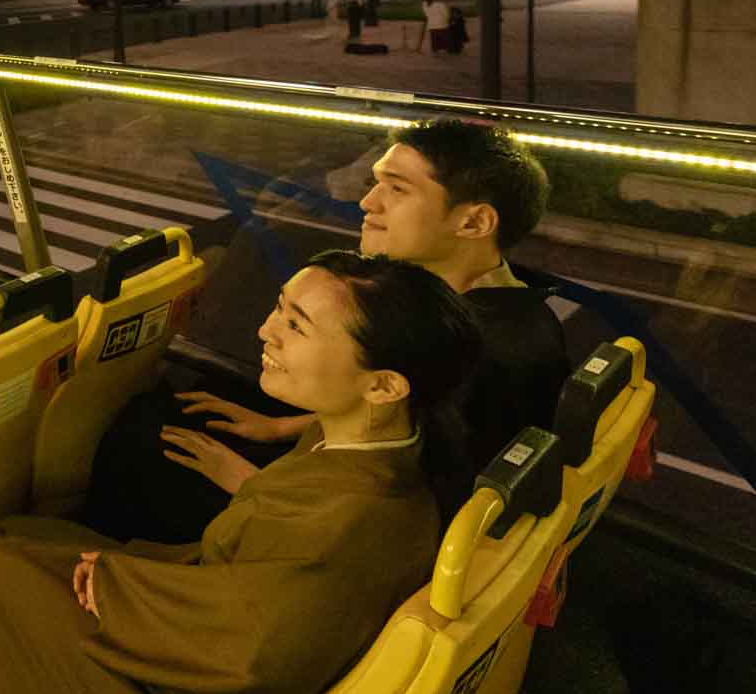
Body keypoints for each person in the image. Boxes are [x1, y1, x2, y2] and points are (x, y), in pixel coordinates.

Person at [0, 252, 483, 694]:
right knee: (16, 534)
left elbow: (249, 656)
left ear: (383, 385)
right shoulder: (371, 445)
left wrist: (116, 588)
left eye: (296, 326)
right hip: (211, 614)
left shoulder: (352, 519)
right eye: (279, 309)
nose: (265, 331)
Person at [85, 117, 567, 546]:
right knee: (168, 412)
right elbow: (402, 419)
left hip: (339, 529)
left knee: (142, 450)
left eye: (397, 189)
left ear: (475, 221)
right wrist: (279, 428)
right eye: (376, 183)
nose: (367, 202)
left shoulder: (483, 356)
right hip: (338, 472)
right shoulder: (479, 304)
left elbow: (413, 523)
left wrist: (250, 483)